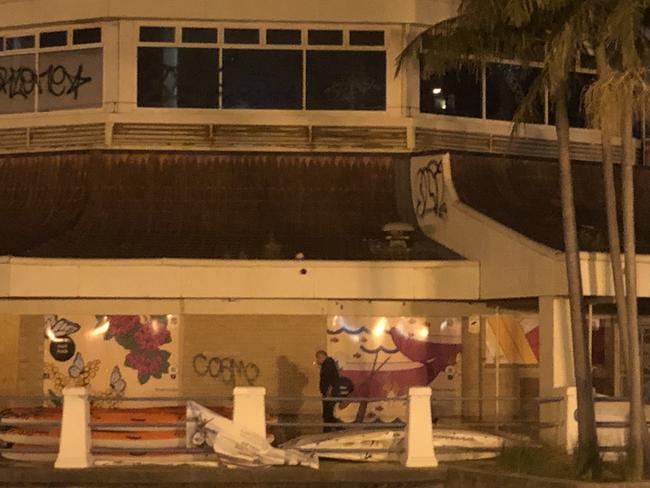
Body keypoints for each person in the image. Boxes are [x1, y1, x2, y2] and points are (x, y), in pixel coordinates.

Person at [315, 350, 339, 433]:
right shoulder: (328, 364)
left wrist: (329, 390)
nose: (317, 361)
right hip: (328, 392)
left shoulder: (327, 365)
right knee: (328, 413)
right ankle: (333, 428)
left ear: (321, 357)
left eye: (317, 358)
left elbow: (330, 379)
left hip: (328, 393)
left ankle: (328, 430)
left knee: (327, 413)